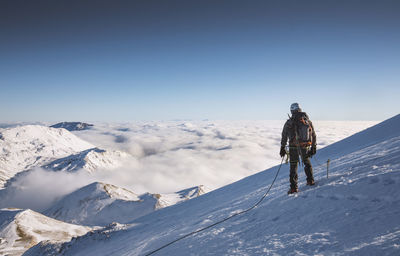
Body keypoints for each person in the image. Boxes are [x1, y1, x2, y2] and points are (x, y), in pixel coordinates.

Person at [280, 103, 316, 194]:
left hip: (293, 147)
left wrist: (282, 147)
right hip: (305, 146)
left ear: (292, 111)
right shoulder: (307, 121)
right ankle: (310, 180)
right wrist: (313, 147)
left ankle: (293, 188)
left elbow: (284, 135)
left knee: (293, 166)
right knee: (307, 162)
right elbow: (313, 134)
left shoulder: (289, 122)